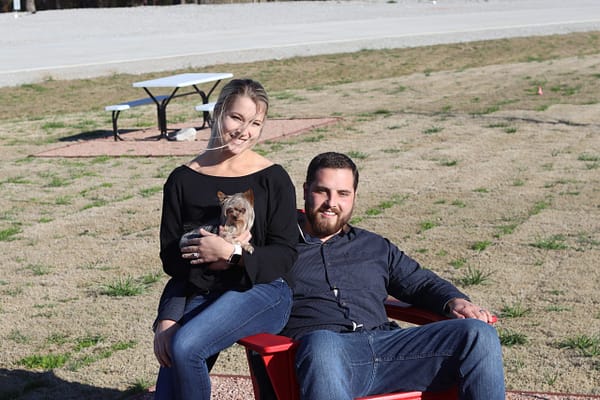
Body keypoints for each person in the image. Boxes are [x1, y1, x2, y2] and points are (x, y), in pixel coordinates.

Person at [272, 152, 506, 399]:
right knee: (322, 343)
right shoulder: (277, 247)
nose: (332, 202)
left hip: (390, 347)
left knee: (479, 334)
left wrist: (454, 301)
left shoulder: (373, 246)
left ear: (354, 197)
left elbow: (420, 283)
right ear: (307, 190)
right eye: (322, 191)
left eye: (343, 193)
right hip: (328, 356)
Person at [152, 79, 298, 400]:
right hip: (203, 292)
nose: (245, 130)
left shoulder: (271, 177)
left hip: (264, 290)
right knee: (168, 390)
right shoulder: (182, 180)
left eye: (255, 123)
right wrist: (168, 314)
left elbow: (286, 254)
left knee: (187, 346)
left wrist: (233, 253)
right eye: (237, 118)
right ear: (218, 113)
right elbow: (171, 258)